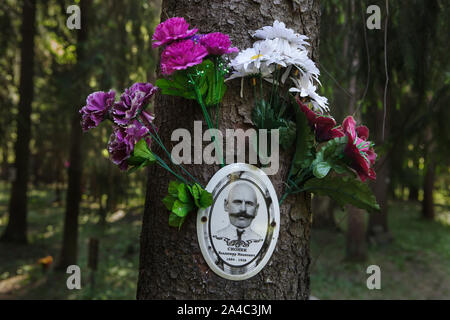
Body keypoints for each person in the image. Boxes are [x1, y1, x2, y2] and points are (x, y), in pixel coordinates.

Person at [214, 182, 263, 247]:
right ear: (226, 205)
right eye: (237, 202)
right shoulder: (216, 237)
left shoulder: (260, 241)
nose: (243, 209)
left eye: (248, 203)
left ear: (256, 209)